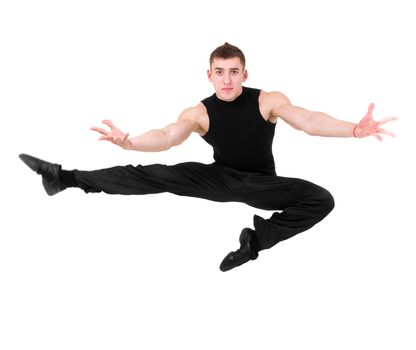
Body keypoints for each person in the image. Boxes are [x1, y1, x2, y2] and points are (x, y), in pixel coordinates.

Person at [19, 42, 397, 272]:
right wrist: (129, 141)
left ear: (245, 73)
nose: (228, 80)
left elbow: (309, 121)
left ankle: (255, 242)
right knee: (155, 174)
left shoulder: (268, 100)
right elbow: (167, 136)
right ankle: (65, 178)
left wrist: (354, 129)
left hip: (262, 183)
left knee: (321, 199)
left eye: (234, 72)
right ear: (210, 75)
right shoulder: (200, 112)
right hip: (219, 178)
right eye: (220, 72)